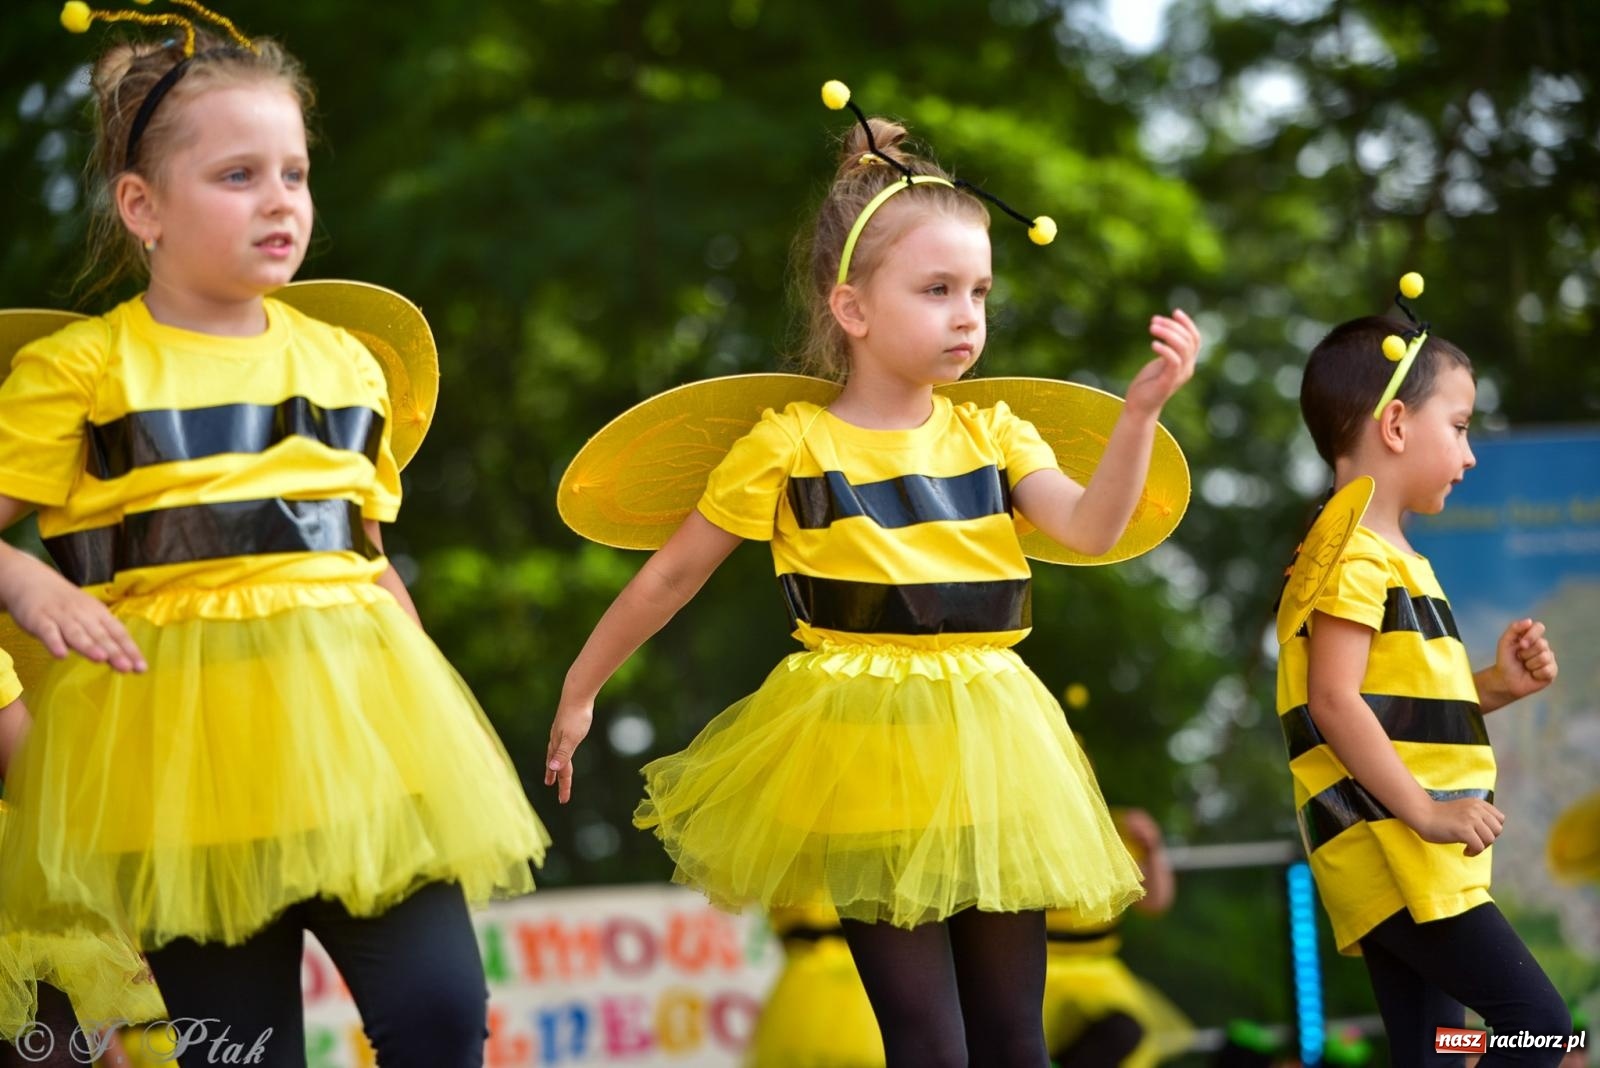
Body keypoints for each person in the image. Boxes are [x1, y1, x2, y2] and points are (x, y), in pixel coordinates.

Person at [546, 81, 1200, 1067]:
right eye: (936, 290)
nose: (965, 314)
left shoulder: (994, 432)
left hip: (994, 738)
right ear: (850, 306)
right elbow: (668, 578)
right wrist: (581, 685)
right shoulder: (789, 444)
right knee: (927, 1044)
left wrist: (1140, 414)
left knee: (1013, 1040)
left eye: (978, 291)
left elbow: (1094, 528)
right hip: (859, 747)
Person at [0, 5, 548, 1064]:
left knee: (439, 1012)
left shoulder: (348, 366)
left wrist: (438, 723)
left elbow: (369, 565)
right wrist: (24, 586)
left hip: (363, 750)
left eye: (294, 173)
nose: (280, 201)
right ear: (142, 207)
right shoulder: (79, 374)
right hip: (179, 766)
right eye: (238, 176)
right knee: (242, 1049)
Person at [1274, 274, 1570, 1067]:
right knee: (1541, 1027)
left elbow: (1389, 703)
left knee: (1432, 1051)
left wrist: (1494, 687)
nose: (1471, 455)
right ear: (1397, 424)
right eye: (1462, 427)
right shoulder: (1351, 556)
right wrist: (1427, 814)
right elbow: (1334, 703)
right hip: (1395, 845)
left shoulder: (1390, 556)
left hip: (1405, 846)